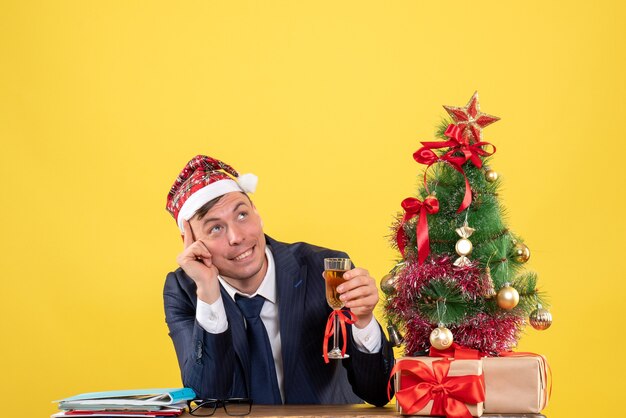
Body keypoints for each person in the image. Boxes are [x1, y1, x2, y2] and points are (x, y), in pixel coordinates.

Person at [163, 155, 394, 406]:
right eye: (215, 228)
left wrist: (363, 321)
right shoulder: (184, 290)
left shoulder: (325, 270)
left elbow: (379, 392)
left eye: (241, 215)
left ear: (257, 214)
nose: (236, 237)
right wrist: (208, 290)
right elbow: (206, 395)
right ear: (191, 241)